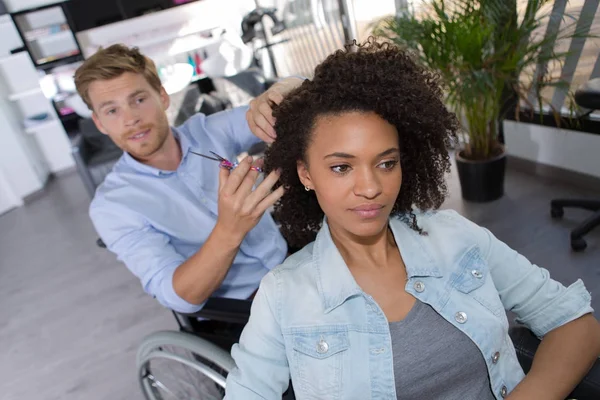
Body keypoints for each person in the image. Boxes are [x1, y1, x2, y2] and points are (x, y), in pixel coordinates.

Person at [224, 38, 600, 399]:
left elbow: (575, 324)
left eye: (386, 163)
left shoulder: (454, 238)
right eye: (341, 167)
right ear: (305, 174)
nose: (370, 187)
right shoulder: (284, 295)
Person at [74, 44, 303, 313]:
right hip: (245, 311)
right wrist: (230, 229)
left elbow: (303, 85)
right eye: (112, 111)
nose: (131, 119)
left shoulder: (207, 132)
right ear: (99, 123)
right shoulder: (112, 206)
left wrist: (275, 95)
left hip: (294, 266)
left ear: (162, 96)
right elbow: (178, 296)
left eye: (138, 100)